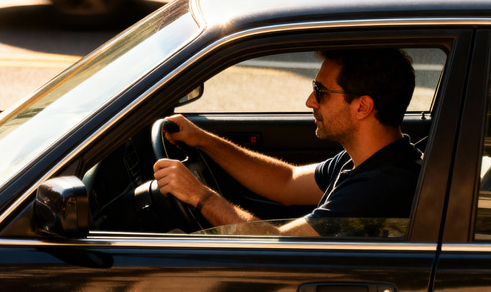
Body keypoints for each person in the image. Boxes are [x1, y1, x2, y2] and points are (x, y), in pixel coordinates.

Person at [153, 48, 421, 237]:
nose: (310, 101)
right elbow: (287, 181)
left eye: (321, 92)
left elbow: (275, 245)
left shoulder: (378, 190)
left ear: (362, 106)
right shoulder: (368, 158)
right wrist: (203, 140)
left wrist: (200, 196)